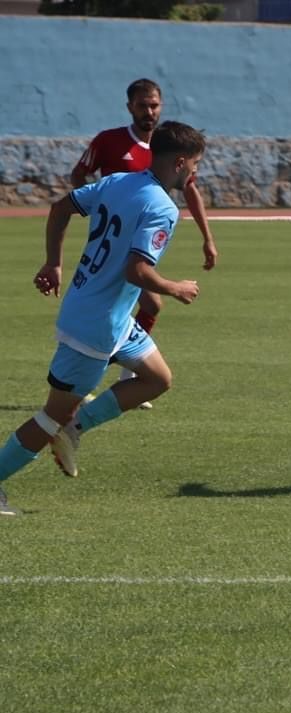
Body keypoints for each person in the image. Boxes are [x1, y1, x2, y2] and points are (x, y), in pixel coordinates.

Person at [0, 121, 206, 516]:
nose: (195, 172)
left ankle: (76, 429)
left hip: (106, 313)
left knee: (157, 378)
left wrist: (53, 263)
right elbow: (137, 272)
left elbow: (61, 208)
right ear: (180, 163)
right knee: (50, 416)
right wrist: (175, 287)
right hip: (94, 327)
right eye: (195, 165)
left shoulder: (118, 182)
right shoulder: (163, 208)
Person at [71, 78, 217, 408]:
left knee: (148, 305)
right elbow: (78, 176)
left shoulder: (173, 146)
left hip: (142, 243)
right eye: (142, 105)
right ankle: (84, 385)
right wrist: (97, 210)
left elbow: (190, 189)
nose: (149, 111)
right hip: (116, 246)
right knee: (122, 308)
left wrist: (207, 238)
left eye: (154, 105)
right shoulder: (109, 142)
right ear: (130, 108)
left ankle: (121, 380)